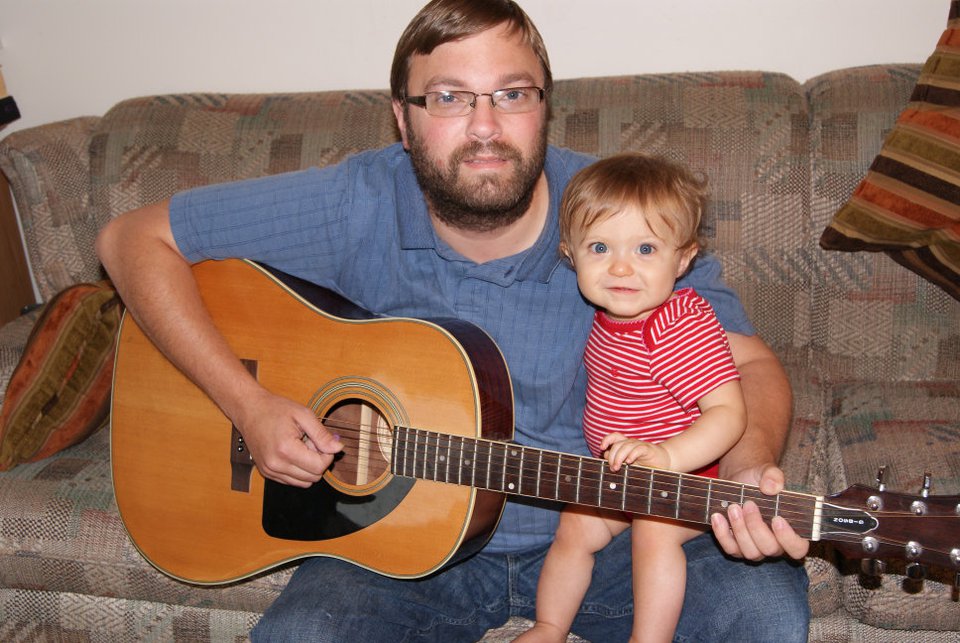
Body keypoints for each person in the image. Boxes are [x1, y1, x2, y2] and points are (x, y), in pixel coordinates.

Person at [95, 0, 810, 640]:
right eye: (449, 97)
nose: (486, 125)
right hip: (395, 544)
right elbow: (130, 240)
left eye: (512, 93)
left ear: (545, 108)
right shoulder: (356, 201)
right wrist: (247, 404)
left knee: (764, 608)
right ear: (402, 121)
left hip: (605, 531)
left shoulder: (620, 219)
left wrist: (746, 475)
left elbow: (748, 364)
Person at [518, 153, 747, 643]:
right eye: (600, 247)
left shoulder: (678, 322)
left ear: (682, 259)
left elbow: (729, 414)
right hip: (622, 475)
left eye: (645, 249)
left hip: (689, 476)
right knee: (574, 526)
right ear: (569, 253)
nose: (621, 267)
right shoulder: (609, 317)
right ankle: (549, 626)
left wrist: (666, 457)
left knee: (654, 531)